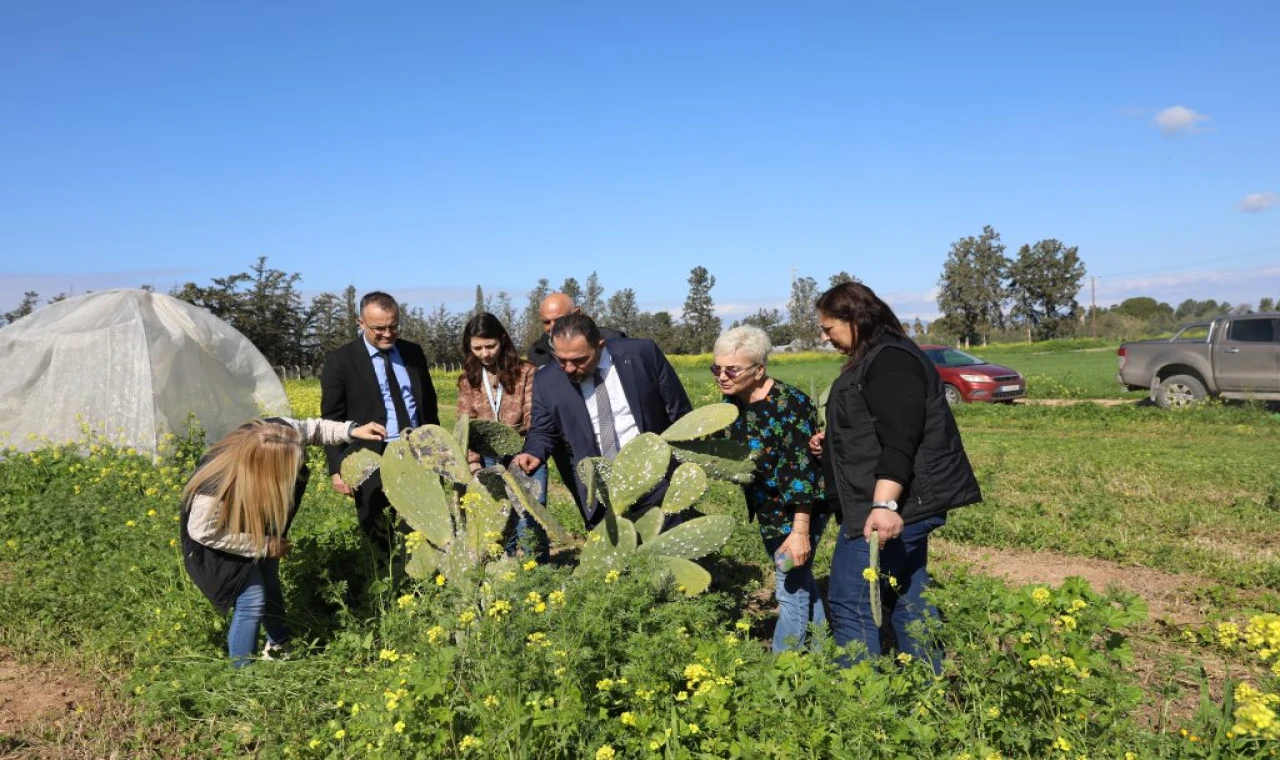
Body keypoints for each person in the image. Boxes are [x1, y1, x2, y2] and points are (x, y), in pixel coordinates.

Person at [809, 282, 981, 671]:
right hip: (898, 501)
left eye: (828, 327)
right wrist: (832, 443)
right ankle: (927, 691)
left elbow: (901, 437)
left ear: (856, 319)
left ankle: (861, 700)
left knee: (850, 600)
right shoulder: (876, 357)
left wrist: (884, 505)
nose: (824, 337)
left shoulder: (891, 360)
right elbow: (877, 424)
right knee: (908, 594)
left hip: (892, 505)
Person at [181, 417, 387, 667]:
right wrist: (265, 545)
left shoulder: (281, 433)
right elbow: (203, 531)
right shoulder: (215, 486)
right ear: (264, 469)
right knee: (251, 598)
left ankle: (279, 643)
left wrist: (352, 430)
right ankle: (241, 673)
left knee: (270, 581)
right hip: (217, 540)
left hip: (257, 524)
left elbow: (314, 430)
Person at [513, 313, 691, 527]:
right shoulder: (547, 380)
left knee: (667, 550)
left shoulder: (642, 354)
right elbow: (542, 430)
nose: (569, 368)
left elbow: (678, 410)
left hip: (656, 475)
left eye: (579, 360)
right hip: (599, 491)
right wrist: (533, 451)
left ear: (599, 346)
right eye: (562, 360)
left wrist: (684, 467)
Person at [713, 326, 829, 652]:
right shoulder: (732, 402)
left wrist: (800, 531)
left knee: (789, 588)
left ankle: (783, 668)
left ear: (759, 369)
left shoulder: (790, 404)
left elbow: (802, 472)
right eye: (716, 368)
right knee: (801, 580)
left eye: (731, 369)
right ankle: (821, 652)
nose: (722, 376)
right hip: (769, 509)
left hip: (801, 509)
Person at [320, 292, 440, 554]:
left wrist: (437, 448)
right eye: (379, 328)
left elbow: (428, 405)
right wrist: (336, 467)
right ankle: (386, 586)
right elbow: (331, 419)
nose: (388, 333)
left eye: (394, 326)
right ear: (360, 323)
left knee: (422, 527)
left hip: (416, 453)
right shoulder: (341, 361)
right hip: (370, 457)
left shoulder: (412, 353)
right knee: (377, 532)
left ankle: (423, 586)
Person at [457, 312, 548, 559]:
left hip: (525, 453)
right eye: (477, 348)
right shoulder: (468, 380)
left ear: (503, 340)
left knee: (531, 519)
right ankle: (504, 576)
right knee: (498, 520)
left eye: (490, 346)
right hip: (488, 459)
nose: (485, 353)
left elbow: (534, 415)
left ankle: (538, 573)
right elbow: (466, 425)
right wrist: (473, 463)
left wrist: (530, 451)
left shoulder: (526, 372)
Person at [527, 292, 626, 369]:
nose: (553, 327)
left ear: (577, 313)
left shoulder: (612, 339)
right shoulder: (538, 352)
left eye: (559, 320)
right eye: (547, 322)